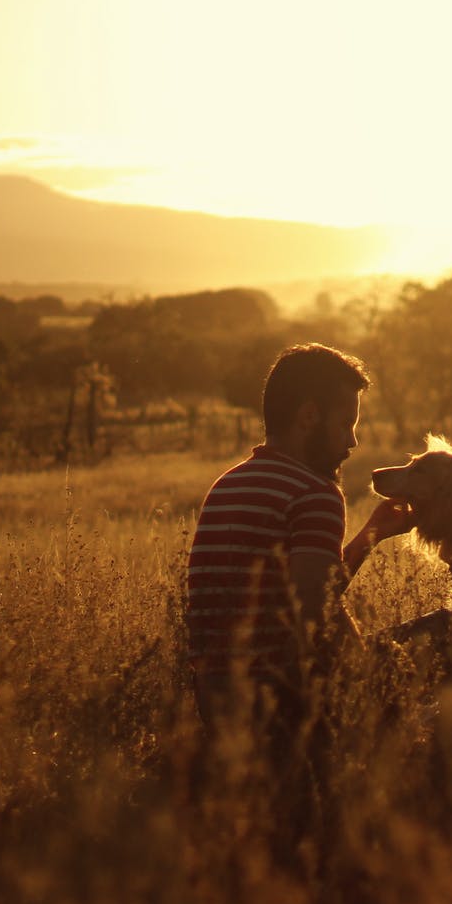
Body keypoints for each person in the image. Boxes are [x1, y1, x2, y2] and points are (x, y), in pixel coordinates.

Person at [184, 343, 412, 866]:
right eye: (347, 422)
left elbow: (292, 593)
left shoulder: (228, 484)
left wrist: (369, 539)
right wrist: (371, 681)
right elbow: (315, 612)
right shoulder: (313, 493)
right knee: (443, 635)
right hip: (282, 699)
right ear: (310, 416)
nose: (354, 441)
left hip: (217, 697)